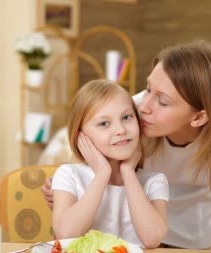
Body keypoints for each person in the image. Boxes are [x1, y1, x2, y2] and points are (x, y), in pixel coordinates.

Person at [43, 40, 211, 251]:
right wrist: (66, 189)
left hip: (194, 232)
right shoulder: (129, 117)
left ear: (199, 118)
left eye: (162, 101)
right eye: (148, 88)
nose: (144, 107)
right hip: (133, 237)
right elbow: (84, 167)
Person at [51, 80, 169, 248]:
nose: (121, 129)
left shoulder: (155, 181)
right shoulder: (68, 175)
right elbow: (65, 235)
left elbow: (152, 239)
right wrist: (102, 175)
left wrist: (128, 172)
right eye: (104, 123)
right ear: (81, 136)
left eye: (127, 117)